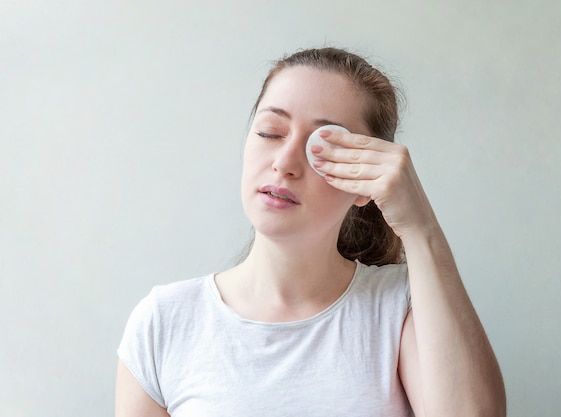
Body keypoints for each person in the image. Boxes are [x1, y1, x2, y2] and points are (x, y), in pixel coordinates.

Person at [115, 47, 506, 417]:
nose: (284, 163)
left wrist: (420, 228)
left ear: (363, 181)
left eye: (322, 147)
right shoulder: (164, 321)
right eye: (270, 132)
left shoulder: (403, 305)